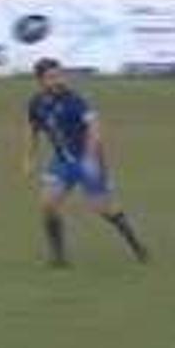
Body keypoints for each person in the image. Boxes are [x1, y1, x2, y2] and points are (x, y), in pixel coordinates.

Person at [24, 58, 149, 267]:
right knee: (47, 204)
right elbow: (32, 128)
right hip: (62, 161)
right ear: (40, 81)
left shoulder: (74, 100)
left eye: (59, 75)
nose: (57, 80)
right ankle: (59, 258)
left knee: (102, 208)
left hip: (88, 159)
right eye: (51, 77)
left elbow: (94, 128)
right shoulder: (36, 103)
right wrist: (28, 157)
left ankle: (138, 247)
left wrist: (90, 159)